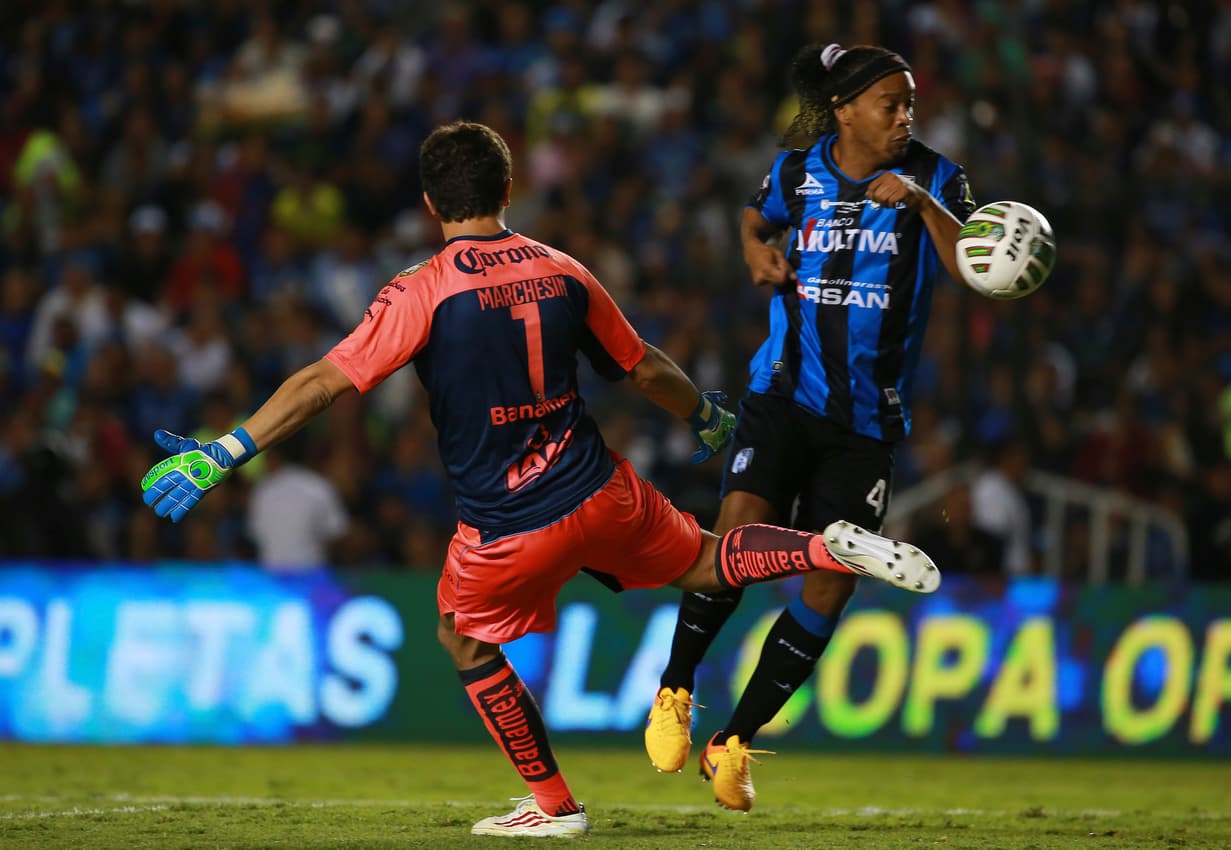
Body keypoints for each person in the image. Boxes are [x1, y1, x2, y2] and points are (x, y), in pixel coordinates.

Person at [139, 121, 940, 838]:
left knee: (460, 635)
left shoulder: (422, 290)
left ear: (429, 202)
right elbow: (645, 367)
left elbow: (324, 382)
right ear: (508, 189)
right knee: (708, 558)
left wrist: (226, 450)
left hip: (506, 525)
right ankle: (825, 548)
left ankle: (553, 804)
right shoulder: (562, 269)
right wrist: (708, 421)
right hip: (602, 490)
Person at [645, 43, 976, 811]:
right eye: (891, 104)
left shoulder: (936, 175)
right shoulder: (797, 171)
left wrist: (923, 205)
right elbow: (755, 219)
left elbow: (970, 269)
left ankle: (733, 743)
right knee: (735, 534)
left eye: (910, 106)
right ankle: (674, 688)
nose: (905, 117)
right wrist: (756, 250)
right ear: (846, 110)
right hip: (785, 392)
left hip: (867, 419)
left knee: (832, 578)